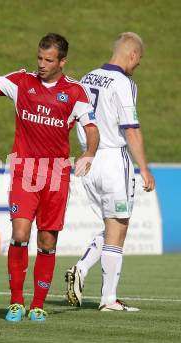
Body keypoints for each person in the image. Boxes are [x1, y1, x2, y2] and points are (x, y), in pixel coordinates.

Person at [0, 34, 100, 322]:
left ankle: (38, 304)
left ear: (62, 62)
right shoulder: (21, 81)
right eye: (39, 58)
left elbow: (91, 128)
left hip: (56, 177)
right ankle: (16, 302)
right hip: (24, 173)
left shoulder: (75, 92)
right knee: (19, 235)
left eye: (48, 60)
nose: (41, 64)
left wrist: (88, 153)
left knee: (48, 240)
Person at [65, 32, 155, 311]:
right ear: (133, 55)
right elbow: (132, 128)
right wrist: (144, 168)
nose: (137, 65)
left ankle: (82, 268)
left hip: (88, 161)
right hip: (114, 159)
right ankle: (108, 299)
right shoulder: (124, 83)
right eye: (138, 60)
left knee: (111, 226)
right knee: (119, 228)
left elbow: (70, 118)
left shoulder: (87, 77)